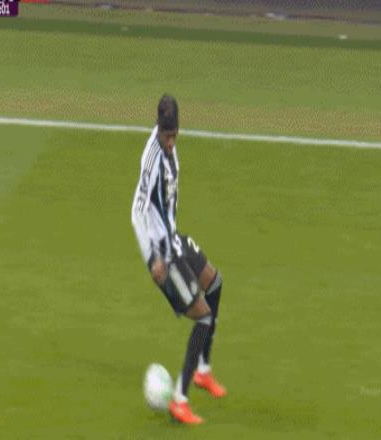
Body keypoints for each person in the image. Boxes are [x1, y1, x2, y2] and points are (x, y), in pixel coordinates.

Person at [131, 94, 226, 425]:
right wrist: (153, 258)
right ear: (158, 129)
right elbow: (138, 211)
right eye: (166, 136)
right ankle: (179, 401)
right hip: (162, 253)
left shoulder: (171, 147)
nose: (170, 142)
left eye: (174, 135)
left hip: (174, 240)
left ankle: (203, 371)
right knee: (203, 318)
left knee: (214, 283)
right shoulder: (152, 159)